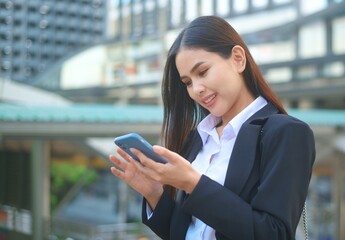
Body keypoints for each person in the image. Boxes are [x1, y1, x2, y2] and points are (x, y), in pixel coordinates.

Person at [109, 15, 315, 240]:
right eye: (187, 82)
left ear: (237, 58)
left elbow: (274, 234)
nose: (196, 89)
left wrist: (193, 183)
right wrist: (153, 193)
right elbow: (185, 233)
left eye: (203, 72)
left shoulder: (286, 133)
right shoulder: (196, 138)